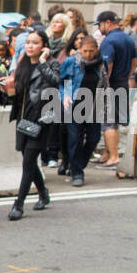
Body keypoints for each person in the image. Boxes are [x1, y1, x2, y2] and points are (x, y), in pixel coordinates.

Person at [0, 29, 59, 220]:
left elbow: (56, 82)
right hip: (24, 118)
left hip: (42, 118)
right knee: (29, 160)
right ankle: (43, 193)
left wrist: (42, 63)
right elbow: (19, 92)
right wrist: (7, 88)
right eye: (28, 43)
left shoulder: (51, 64)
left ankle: (19, 204)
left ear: (44, 46)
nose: (30, 46)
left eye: (35, 43)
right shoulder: (23, 64)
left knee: (28, 162)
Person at [60, 34, 109, 186]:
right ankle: (77, 173)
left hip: (94, 106)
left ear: (96, 50)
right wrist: (65, 95)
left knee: (94, 138)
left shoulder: (102, 62)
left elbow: (105, 82)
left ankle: (78, 164)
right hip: (74, 105)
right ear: (80, 49)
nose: (88, 54)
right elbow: (63, 81)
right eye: (85, 51)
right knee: (75, 139)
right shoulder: (71, 62)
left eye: (91, 51)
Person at [95, 10, 136, 168]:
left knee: (108, 122)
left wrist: (103, 84)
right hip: (123, 82)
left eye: (100, 24)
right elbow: (134, 60)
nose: (99, 28)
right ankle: (107, 154)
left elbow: (108, 64)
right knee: (114, 121)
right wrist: (128, 76)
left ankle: (113, 156)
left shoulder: (108, 41)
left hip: (111, 84)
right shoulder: (127, 38)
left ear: (107, 22)